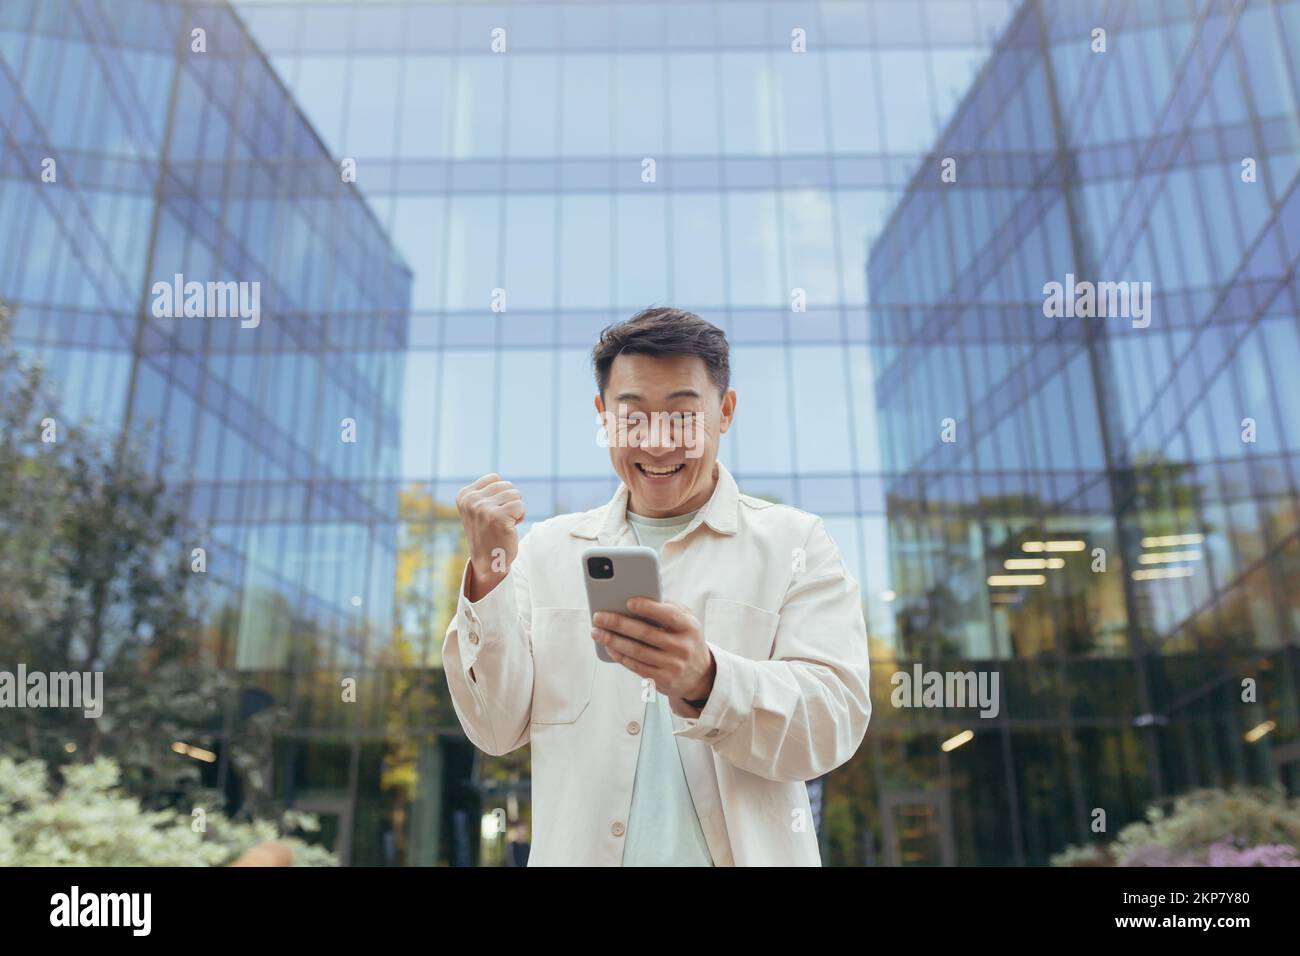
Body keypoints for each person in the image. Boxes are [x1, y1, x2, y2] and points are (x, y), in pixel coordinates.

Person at [443, 307, 871, 866]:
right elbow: (495, 729)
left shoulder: (797, 544)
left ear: (726, 411)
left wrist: (707, 679)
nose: (658, 442)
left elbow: (832, 723)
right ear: (603, 418)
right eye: (632, 417)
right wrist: (489, 575)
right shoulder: (545, 553)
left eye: (684, 416)